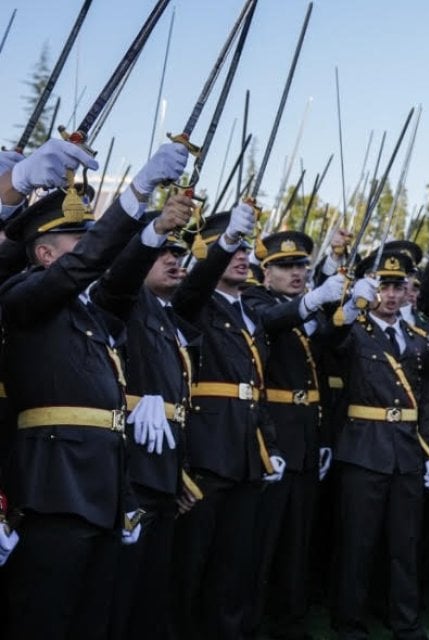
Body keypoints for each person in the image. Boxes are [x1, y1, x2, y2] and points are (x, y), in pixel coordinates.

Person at [0, 140, 188, 636]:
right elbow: (81, 268)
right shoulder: (22, 296)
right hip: (53, 485)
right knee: (46, 615)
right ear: (44, 254)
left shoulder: (89, 311)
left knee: (93, 618)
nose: (88, 249)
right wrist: (134, 193)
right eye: (75, 241)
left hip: (103, 484)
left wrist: (151, 231)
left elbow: (120, 281)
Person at [170, 204, 287, 638]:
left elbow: (257, 388)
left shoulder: (249, 312)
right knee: (191, 563)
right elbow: (193, 286)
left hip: (245, 450)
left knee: (235, 564)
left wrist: (269, 445)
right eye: (232, 248)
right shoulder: (194, 302)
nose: (242, 257)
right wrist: (223, 245)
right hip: (207, 448)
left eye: (244, 249)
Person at [95, 195, 203, 639]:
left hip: (162, 464)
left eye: (180, 255)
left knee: (150, 585)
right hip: (130, 466)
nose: (174, 261)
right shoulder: (124, 300)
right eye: (163, 254)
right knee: (120, 587)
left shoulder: (165, 315)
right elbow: (118, 282)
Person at [329, 250, 429, 640]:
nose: (391, 295)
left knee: (405, 544)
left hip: (407, 452)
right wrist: (348, 306)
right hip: (364, 449)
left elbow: (424, 398)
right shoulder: (354, 329)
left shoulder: (417, 337)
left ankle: (405, 623)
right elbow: (330, 340)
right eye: (383, 286)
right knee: (358, 544)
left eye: (398, 286)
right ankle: (350, 624)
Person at [242, 230, 346, 638]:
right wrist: (314, 301)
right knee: (262, 541)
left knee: (296, 541)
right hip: (272, 434)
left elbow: (326, 346)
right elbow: (272, 322)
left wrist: (345, 310)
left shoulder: (304, 310)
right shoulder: (256, 301)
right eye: (286, 266)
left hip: (304, 435)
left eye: (301, 265)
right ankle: (251, 621)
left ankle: (291, 620)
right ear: (265, 273)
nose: (297, 272)